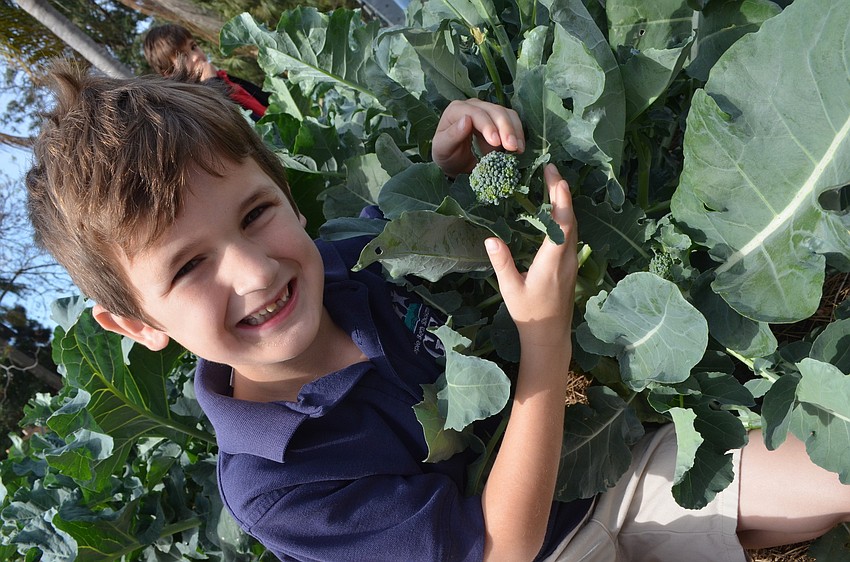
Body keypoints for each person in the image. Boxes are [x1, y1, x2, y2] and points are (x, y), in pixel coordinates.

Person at [26, 62, 850, 562]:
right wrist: (543, 341)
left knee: (832, 463)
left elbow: (418, 231)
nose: (253, 269)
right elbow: (499, 549)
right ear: (136, 324)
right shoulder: (276, 486)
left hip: (611, 479)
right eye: (189, 266)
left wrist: (450, 173)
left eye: (254, 215)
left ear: (286, 193)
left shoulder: (354, 261)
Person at [143, 23, 268, 120]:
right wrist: (211, 82)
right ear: (169, 73)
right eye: (184, 56)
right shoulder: (194, 105)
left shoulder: (222, 77)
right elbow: (241, 123)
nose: (196, 56)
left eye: (193, 47)